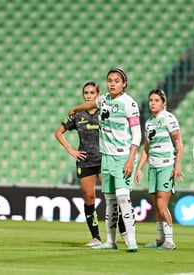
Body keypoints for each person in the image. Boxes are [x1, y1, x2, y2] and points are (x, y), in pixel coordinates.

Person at [69, 68, 141, 252]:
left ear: (124, 83)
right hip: (106, 158)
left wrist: (130, 159)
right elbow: (91, 103)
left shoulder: (129, 104)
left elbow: (137, 135)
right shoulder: (104, 99)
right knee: (110, 201)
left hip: (123, 156)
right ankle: (110, 241)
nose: (112, 83)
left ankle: (131, 241)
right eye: (110, 80)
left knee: (123, 198)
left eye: (117, 80)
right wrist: (76, 108)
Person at [55, 81, 128, 247]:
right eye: (86, 93)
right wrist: (71, 150)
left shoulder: (105, 110)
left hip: (104, 159)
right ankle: (96, 237)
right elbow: (58, 132)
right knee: (89, 198)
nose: (88, 95)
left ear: (97, 95)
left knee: (112, 197)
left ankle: (124, 232)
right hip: (85, 161)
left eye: (91, 93)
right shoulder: (77, 116)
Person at [134, 89, 184, 250]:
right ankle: (161, 239)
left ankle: (170, 241)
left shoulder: (168, 118)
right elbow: (147, 148)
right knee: (157, 206)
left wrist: (177, 165)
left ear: (164, 103)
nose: (153, 103)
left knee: (162, 205)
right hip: (153, 167)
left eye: (156, 100)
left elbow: (178, 143)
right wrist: (139, 168)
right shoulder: (149, 122)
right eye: (151, 100)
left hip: (166, 165)